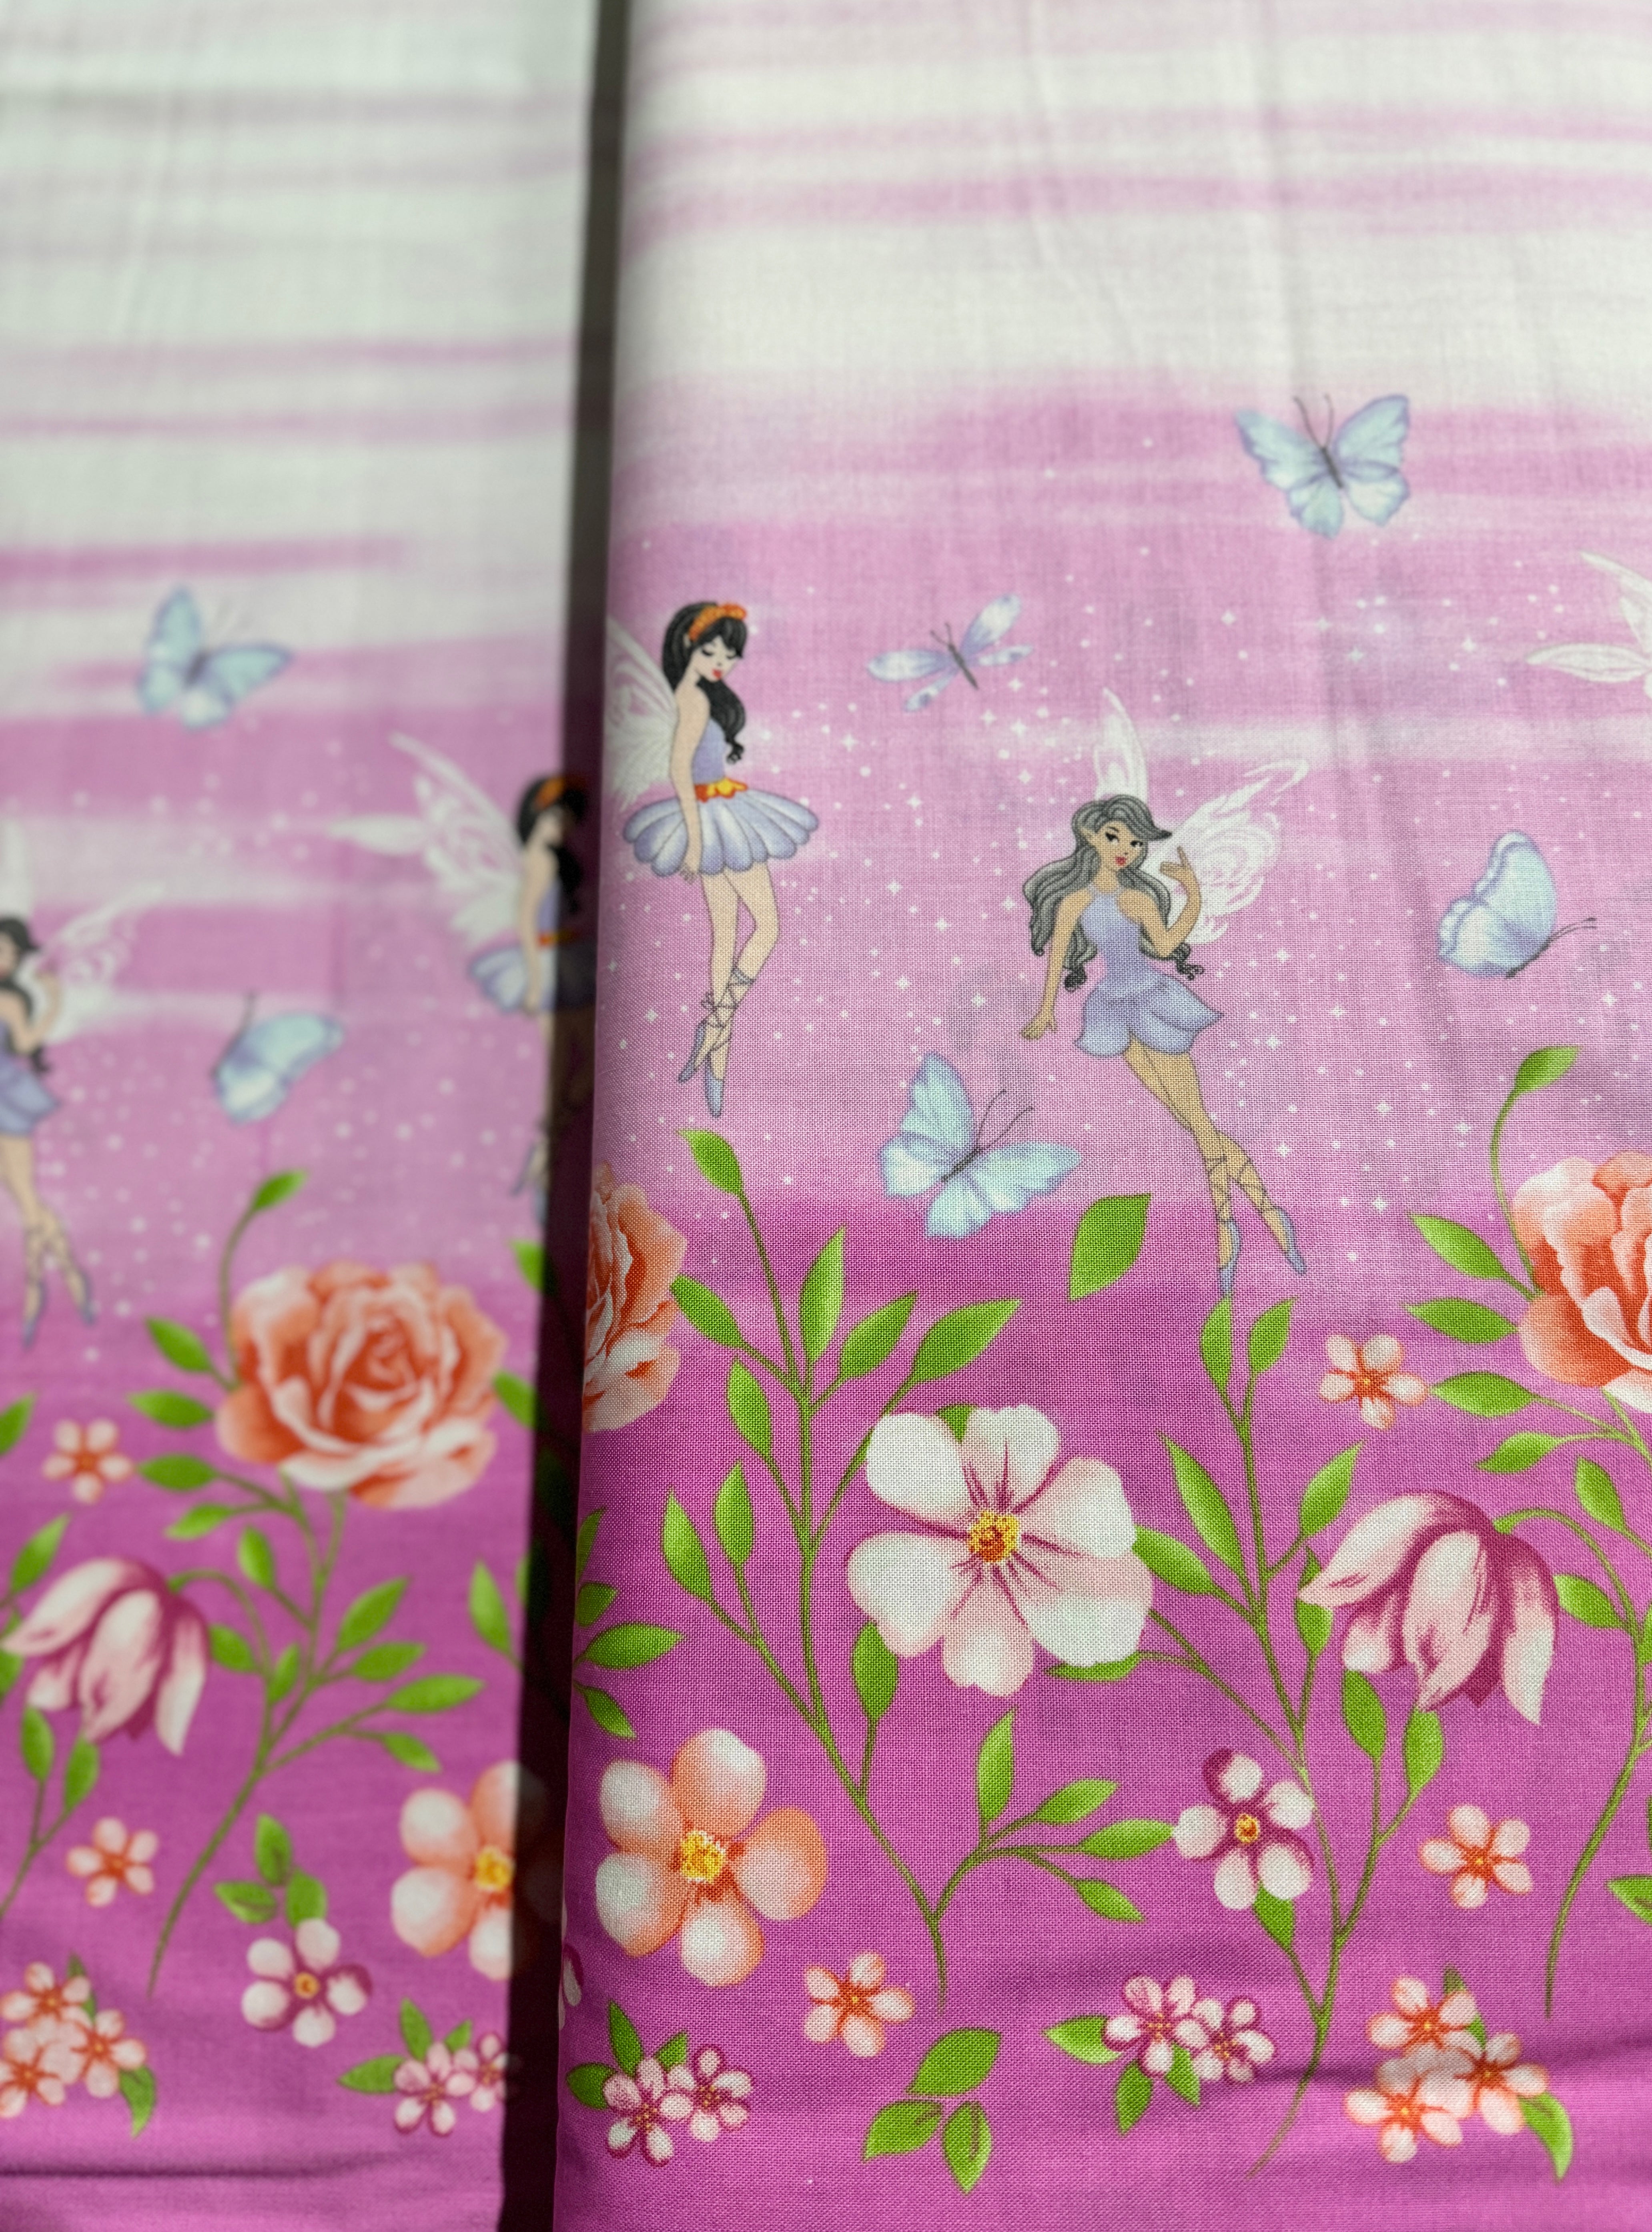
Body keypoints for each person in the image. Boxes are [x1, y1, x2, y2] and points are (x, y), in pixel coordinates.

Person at [1022, 795, 1305, 1296]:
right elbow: (1058, 954)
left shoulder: (1137, 899)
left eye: (1135, 842)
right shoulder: (1075, 901)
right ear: (1090, 836)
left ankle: (1230, 1227)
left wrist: (1192, 893)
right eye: (1115, 837)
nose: (1126, 849)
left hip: (1152, 999)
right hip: (1113, 1007)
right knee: (1194, 1123)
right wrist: (1046, 1010)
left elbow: (1169, 944)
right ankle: (1266, 1215)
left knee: (1199, 1124)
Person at [622, 602, 817, 1118]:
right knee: (768, 926)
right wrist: (693, 839)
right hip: (714, 817)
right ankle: (716, 1026)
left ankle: (718, 1056)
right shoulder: (690, 698)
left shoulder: (703, 695)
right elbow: (679, 770)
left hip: (720, 808)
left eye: (729, 656)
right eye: (712, 651)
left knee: (726, 936)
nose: (721, 663)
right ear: (689, 645)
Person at [471, 774, 597, 1189]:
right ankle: (548, 1151)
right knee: (564, 1067)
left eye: (569, 817)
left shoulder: (559, 856)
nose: (566, 825)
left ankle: (553, 1142)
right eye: (557, 816)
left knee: (583, 1062)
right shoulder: (541, 858)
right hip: (551, 962)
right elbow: (526, 920)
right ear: (538, 816)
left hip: (569, 957)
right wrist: (536, 982)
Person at [0, 916, 93, 1342]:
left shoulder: (9, 1001)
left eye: (7, 953)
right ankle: (70, 1275)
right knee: (29, 1201)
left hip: (6, 1099)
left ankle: (38, 1292)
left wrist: (53, 1001)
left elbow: (25, 1043)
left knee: (26, 1199)